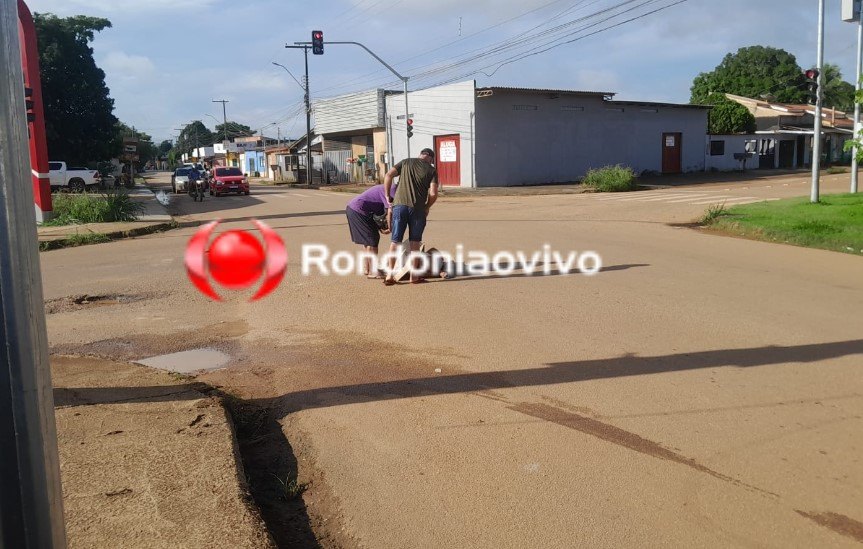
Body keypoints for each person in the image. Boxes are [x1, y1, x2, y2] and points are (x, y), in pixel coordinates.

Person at [382, 148, 438, 285]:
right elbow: (433, 193)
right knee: (415, 243)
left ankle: (389, 275)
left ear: (421, 154)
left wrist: (387, 195)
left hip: (399, 206)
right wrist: (426, 207)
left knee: (395, 241)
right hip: (418, 210)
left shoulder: (406, 162)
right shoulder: (431, 170)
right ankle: (414, 276)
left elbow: (388, 175)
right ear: (430, 158)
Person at [346, 183, 397, 278]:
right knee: (371, 240)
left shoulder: (391, 187)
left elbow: (381, 213)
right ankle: (373, 271)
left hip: (356, 209)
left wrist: (381, 227)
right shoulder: (393, 189)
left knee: (369, 240)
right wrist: (390, 228)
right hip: (359, 210)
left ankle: (368, 268)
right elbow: (389, 212)